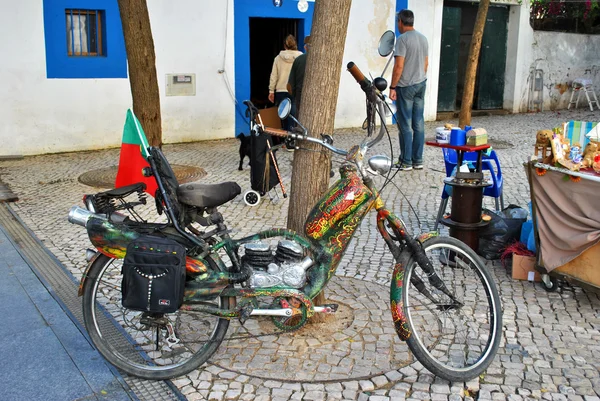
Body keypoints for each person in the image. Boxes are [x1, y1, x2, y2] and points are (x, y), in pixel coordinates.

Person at [389, 9, 429, 171]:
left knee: (405, 124)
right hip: (421, 83)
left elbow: (399, 66)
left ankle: (405, 161)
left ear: (400, 22)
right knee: (418, 123)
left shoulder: (402, 40)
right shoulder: (423, 38)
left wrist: (392, 87)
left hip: (405, 87)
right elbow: (426, 64)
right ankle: (417, 160)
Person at [268, 34, 302, 131]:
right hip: (294, 90)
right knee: (294, 115)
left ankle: (285, 139)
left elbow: (274, 75)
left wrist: (271, 91)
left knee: (283, 116)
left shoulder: (278, 58)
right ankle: (293, 138)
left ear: (285, 45)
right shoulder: (300, 57)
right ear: (295, 44)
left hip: (281, 90)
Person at [287, 35, 310, 118]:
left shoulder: (299, 60)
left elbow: (290, 84)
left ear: (305, 47)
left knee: (300, 117)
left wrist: (293, 96)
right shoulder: (322, 60)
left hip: (300, 93)